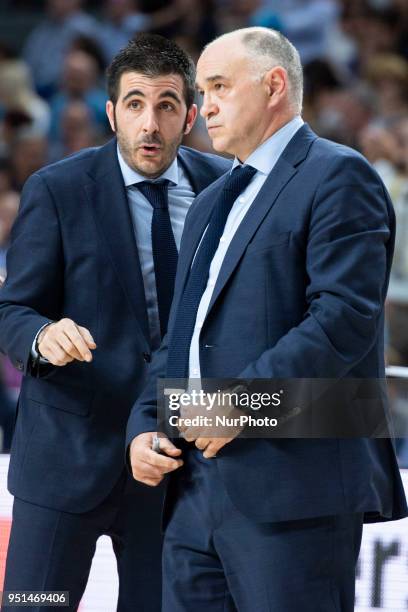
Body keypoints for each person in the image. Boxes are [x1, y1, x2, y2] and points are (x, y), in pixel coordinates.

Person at [126, 27, 408, 612]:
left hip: (293, 485)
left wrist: (238, 405)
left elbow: (342, 322)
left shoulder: (339, 175)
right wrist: (142, 424)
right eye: (202, 91)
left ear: (274, 85)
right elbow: (182, 336)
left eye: (221, 86)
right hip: (192, 486)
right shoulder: (209, 201)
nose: (205, 107)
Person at [0, 34, 230, 611]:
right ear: (111, 112)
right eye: (134, 104)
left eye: (166, 105)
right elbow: (12, 309)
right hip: (65, 460)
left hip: (172, 465)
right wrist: (41, 335)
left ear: (190, 116)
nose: (149, 123)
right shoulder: (56, 189)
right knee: (36, 607)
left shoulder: (226, 190)